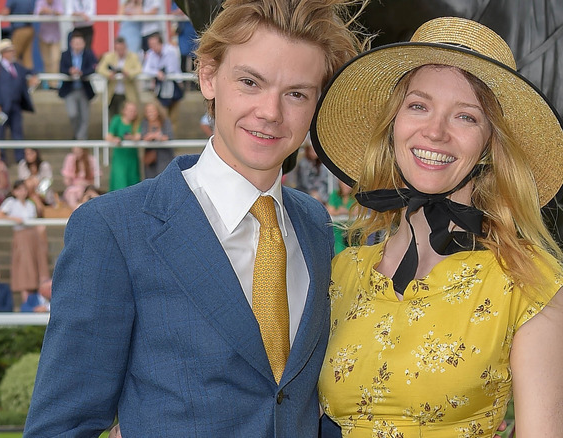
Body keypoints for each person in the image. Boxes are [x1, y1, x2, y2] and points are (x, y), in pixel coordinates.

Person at [24, 0, 366, 435]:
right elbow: (60, 427)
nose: (270, 112)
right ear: (208, 76)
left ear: (318, 102)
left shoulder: (315, 225)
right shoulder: (113, 229)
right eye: (250, 82)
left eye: (296, 93)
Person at [312, 17, 563, 437]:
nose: (434, 132)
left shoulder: (531, 286)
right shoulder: (341, 273)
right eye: (418, 106)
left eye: (466, 117)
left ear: (491, 142)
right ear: (393, 124)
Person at [0, 179, 49, 304]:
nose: (22, 192)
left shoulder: (30, 204)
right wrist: (14, 219)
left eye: (24, 189)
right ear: (14, 191)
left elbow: (37, 217)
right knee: (25, 267)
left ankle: (39, 300)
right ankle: (27, 302)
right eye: (19, 189)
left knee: (37, 265)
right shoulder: (10, 203)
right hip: (21, 235)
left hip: (33, 235)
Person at [0, 39, 38, 162]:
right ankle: (0, 159)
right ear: (3, 53)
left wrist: (34, 76)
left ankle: (20, 158)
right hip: (2, 106)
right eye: (10, 51)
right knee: (0, 134)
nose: (13, 53)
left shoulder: (17, 66)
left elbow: (30, 71)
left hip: (16, 105)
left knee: (18, 132)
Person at [58, 33, 97, 141]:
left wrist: (82, 73)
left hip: (83, 88)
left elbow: (94, 67)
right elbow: (61, 68)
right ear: (71, 44)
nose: (78, 45)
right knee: (73, 114)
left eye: (80, 43)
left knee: (85, 116)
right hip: (70, 89)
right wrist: (70, 71)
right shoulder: (65, 54)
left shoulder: (88, 54)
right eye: (76, 43)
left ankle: (81, 140)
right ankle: (78, 135)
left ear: (84, 44)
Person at [141, 32, 181, 132]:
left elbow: (171, 69)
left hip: (174, 87)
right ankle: (164, 138)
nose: (152, 47)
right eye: (151, 45)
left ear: (160, 43)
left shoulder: (171, 51)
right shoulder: (151, 53)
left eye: (154, 45)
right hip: (161, 88)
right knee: (163, 116)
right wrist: (157, 73)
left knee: (173, 117)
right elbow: (145, 69)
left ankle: (172, 142)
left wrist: (158, 72)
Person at [96, 36, 142, 118]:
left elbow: (139, 69)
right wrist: (109, 74)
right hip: (112, 93)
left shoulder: (133, 56)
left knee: (125, 117)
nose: (120, 51)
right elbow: (100, 69)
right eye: (118, 49)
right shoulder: (108, 56)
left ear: (126, 47)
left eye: (122, 49)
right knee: (112, 116)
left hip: (127, 93)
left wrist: (128, 73)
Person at [106, 100, 140, 191]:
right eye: (130, 110)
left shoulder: (136, 123)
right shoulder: (117, 120)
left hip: (132, 159)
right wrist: (115, 139)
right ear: (124, 111)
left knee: (133, 182)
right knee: (120, 182)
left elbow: (138, 136)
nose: (132, 113)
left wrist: (131, 138)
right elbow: (108, 136)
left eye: (134, 111)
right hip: (119, 159)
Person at [34, 0, 64, 89]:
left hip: (55, 36)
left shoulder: (58, 2)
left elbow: (61, 13)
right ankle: (49, 84)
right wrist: (45, 11)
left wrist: (50, 11)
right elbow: (36, 13)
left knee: (55, 59)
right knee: (46, 61)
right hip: (44, 35)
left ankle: (54, 84)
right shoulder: (40, 1)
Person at [293, 135, 331, 205]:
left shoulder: (322, 164)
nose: (314, 153)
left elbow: (324, 180)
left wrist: (320, 194)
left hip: (320, 193)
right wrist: (312, 192)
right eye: (311, 150)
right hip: (305, 191)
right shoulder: (303, 163)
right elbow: (304, 182)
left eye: (315, 150)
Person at [140, 100, 173, 179]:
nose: (150, 113)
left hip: (164, 157)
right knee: (150, 180)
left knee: (164, 179)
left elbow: (169, 136)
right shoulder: (144, 123)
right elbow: (143, 136)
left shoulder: (165, 122)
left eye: (152, 111)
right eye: (148, 111)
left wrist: (155, 136)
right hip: (151, 158)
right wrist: (155, 136)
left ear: (157, 111)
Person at [0, 0, 36, 69]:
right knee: (27, 57)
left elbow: (5, 12)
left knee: (13, 55)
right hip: (30, 29)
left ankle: (14, 76)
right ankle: (29, 75)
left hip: (19, 30)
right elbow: (32, 12)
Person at [17, 147, 54, 212]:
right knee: (29, 183)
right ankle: (37, 203)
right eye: (27, 154)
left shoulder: (44, 165)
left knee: (32, 185)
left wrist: (39, 192)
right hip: (28, 193)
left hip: (43, 194)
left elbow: (48, 181)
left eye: (31, 153)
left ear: (36, 153)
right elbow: (23, 181)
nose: (29, 156)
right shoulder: (22, 164)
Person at [326, 180, 354, 255]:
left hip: (352, 226)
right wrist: (341, 212)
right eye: (344, 184)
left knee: (354, 234)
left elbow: (358, 211)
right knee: (336, 231)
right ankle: (339, 255)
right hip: (339, 227)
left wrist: (341, 211)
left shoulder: (355, 196)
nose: (346, 187)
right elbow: (330, 210)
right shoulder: (335, 194)